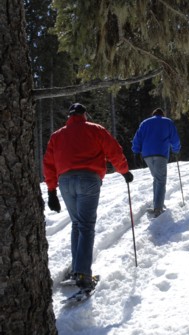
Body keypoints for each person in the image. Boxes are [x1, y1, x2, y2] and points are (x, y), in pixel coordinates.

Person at [43, 103, 134, 292]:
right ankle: (83, 275)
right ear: (84, 114)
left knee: (77, 223)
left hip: (66, 181)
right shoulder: (95, 130)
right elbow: (113, 151)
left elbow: (49, 164)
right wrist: (124, 171)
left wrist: (52, 191)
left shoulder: (57, 136)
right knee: (85, 225)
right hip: (88, 179)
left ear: (69, 116)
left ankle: (77, 271)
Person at [132, 108, 181, 217]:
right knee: (160, 180)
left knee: (157, 179)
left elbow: (137, 138)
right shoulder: (167, 122)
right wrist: (176, 150)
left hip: (147, 155)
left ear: (153, 114)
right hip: (161, 153)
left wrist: (136, 152)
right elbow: (175, 139)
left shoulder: (145, 123)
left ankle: (156, 204)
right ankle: (158, 208)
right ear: (162, 114)